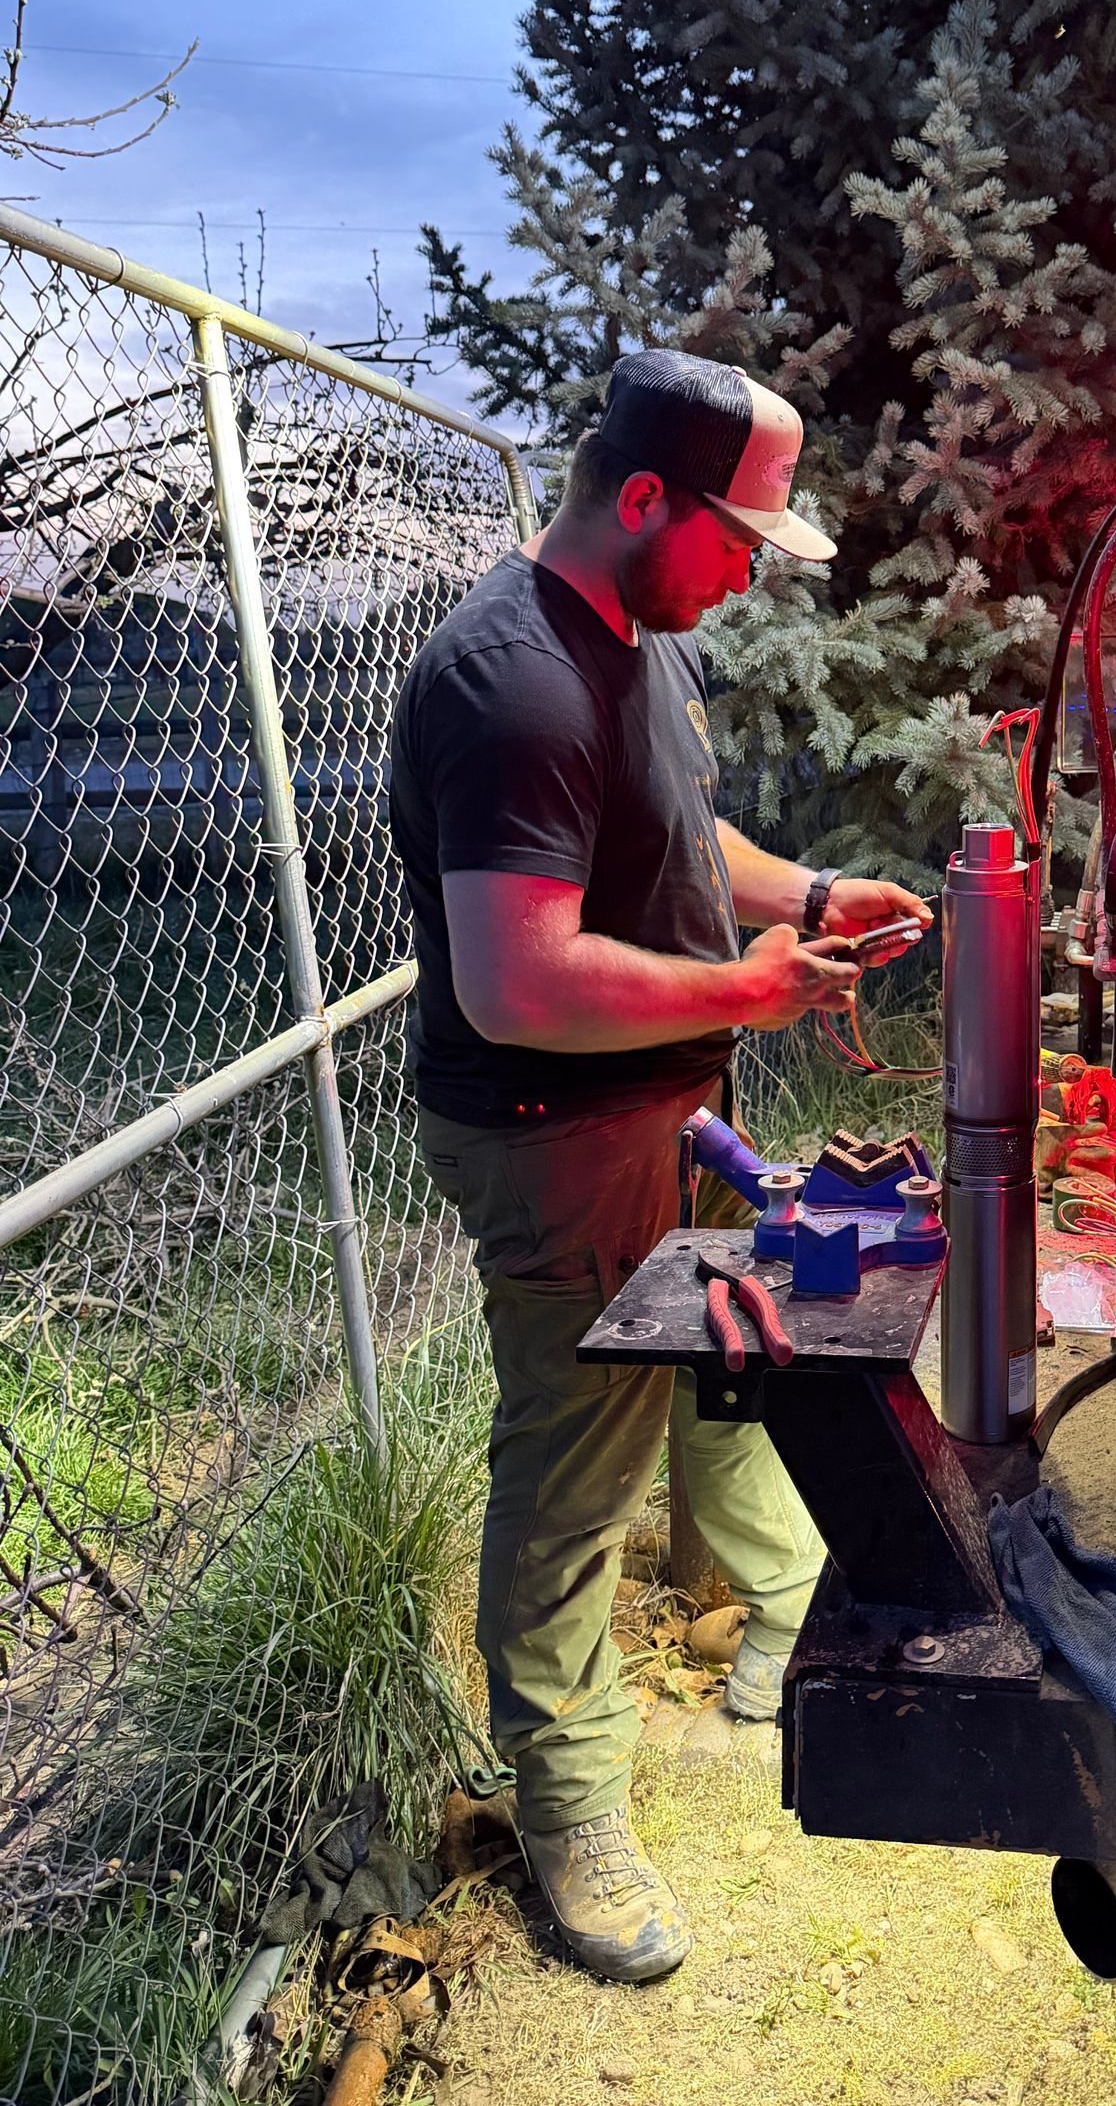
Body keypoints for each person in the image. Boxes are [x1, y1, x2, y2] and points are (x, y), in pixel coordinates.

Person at [387, 348, 933, 1984]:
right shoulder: (513, 681)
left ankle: (771, 1624)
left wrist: (812, 898)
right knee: (571, 1481)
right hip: (558, 1143)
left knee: (744, 1363)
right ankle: (569, 1814)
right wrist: (760, 990)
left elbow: (691, 846)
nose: (749, 575)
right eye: (739, 542)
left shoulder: (635, 644)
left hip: (671, 1109)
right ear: (642, 499)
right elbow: (522, 978)